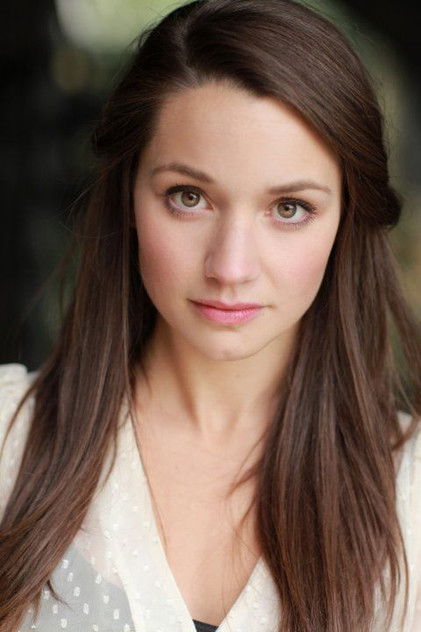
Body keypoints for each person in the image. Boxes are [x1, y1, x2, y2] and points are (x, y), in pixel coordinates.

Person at [0, 0, 420, 630]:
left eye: (289, 208)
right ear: (130, 197)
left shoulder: (411, 492)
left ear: (345, 220)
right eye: (189, 197)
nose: (230, 267)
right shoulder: (8, 439)